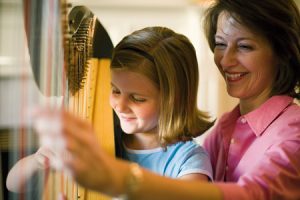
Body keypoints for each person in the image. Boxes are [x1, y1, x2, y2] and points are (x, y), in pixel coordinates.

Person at [33, 0, 300, 199]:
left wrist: (119, 179)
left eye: (244, 46)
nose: (226, 60)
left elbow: (251, 195)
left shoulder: (293, 135)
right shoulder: (227, 126)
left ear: (283, 53)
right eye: (220, 44)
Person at [6, 26, 214, 193]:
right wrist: (38, 161)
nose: (120, 106)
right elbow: (12, 184)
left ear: (174, 100)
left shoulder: (189, 160)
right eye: (115, 91)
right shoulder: (99, 136)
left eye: (137, 98)